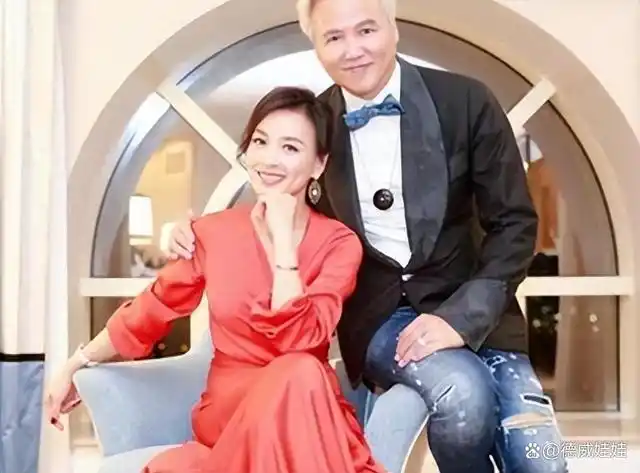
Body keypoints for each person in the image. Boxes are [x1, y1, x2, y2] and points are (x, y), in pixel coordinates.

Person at [168, 1, 570, 473]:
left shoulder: (465, 101)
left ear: (393, 27)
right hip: (381, 319)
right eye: (333, 37)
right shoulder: (314, 125)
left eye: (366, 30)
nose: (352, 50)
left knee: (542, 460)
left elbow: (514, 223)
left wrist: (459, 319)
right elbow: (275, 200)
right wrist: (193, 233)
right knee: (463, 398)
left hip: (480, 309)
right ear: (316, 46)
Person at [44, 86, 387, 473]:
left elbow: (299, 339)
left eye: (290, 148)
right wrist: (76, 363)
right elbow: (151, 309)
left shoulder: (339, 244)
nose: (269, 158)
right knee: (301, 372)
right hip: (231, 409)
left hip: (305, 411)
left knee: (300, 370)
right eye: (260, 141)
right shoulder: (211, 233)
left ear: (318, 165)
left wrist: (283, 244)